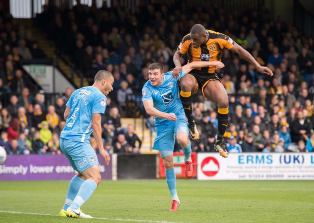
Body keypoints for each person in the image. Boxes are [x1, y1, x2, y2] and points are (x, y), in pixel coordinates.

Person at [172, 24, 273, 157]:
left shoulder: (220, 38)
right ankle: (191, 123)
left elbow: (240, 50)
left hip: (210, 76)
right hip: (193, 74)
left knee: (224, 101)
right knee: (184, 83)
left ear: (204, 36)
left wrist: (258, 66)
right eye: (192, 39)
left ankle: (219, 141)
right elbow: (177, 54)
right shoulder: (187, 39)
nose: (193, 42)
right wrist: (178, 65)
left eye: (196, 39)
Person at [142, 60, 224, 211]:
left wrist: (214, 62)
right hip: (162, 124)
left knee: (181, 139)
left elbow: (192, 65)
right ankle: (175, 198)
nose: (151, 77)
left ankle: (188, 159)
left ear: (162, 74)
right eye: (149, 74)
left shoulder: (172, 76)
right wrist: (166, 116)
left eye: (154, 74)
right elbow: (149, 109)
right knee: (168, 163)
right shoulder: (147, 89)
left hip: (179, 115)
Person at [59, 70, 113, 218]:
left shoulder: (77, 92)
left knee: (82, 174)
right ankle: (75, 208)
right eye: (111, 84)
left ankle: (66, 208)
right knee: (95, 177)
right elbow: (96, 123)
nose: (112, 88)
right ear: (104, 82)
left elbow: (65, 115)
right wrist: (101, 148)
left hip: (64, 138)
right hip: (78, 140)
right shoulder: (100, 97)